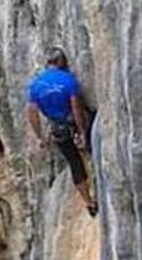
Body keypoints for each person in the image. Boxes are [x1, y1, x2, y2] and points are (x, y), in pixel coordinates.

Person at [25, 47, 98, 216]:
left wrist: (40, 137)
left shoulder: (36, 85)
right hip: (71, 121)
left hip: (56, 127)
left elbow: (32, 112)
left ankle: (89, 202)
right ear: (60, 62)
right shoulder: (68, 80)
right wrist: (82, 131)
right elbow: (76, 108)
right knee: (91, 149)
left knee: (74, 162)